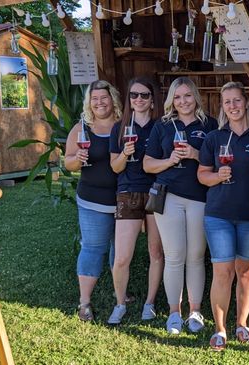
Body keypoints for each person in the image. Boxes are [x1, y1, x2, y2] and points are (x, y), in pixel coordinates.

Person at [143, 77, 217, 335]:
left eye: (187, 96)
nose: (183, 101)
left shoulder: (210, 124)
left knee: (196, 256)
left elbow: (218, 162)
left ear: (195, 97)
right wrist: (170, 160)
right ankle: (174, 312)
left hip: (200, 196)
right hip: (169, 196)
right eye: (177, 97)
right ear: (171, 101)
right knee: (174, 256)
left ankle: (194, 310)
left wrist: (196, 155)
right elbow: (147, 164)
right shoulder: (162, 126)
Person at [197, 81, 249, 351]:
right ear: (222, 107)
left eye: (237, 100)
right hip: (219, 215)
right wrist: (216, 176)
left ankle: (242, 323)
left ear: (246, 102)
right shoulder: (215, 137)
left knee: (246, 273)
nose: (233, 106)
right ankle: (220, 329)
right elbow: (202, 175)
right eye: (227, 102)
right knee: (222, 272)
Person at [64, 80, 123, 321]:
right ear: (89, 102)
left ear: (113, 100)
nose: (99, 103)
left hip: (123, 199)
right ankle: (84, 302)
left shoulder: (123, 126)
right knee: (93, 248)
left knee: (120, 251)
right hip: (93, 201)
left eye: (104, 98)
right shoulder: (81, 128)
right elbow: (68, 164)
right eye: (95, 98)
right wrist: (77, 158)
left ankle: (120, 292)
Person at [106, 77, 164, 325]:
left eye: (143, 95)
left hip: (155, 192)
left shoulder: (161, 127)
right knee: (122, 257)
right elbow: (115, 167)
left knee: (156, 252)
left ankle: (149, 303)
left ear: (152, 101)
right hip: (128, 192)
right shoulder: (119, 128)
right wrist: (125, 154)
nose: (138, 99)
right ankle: (120, 303)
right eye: (133, 95)